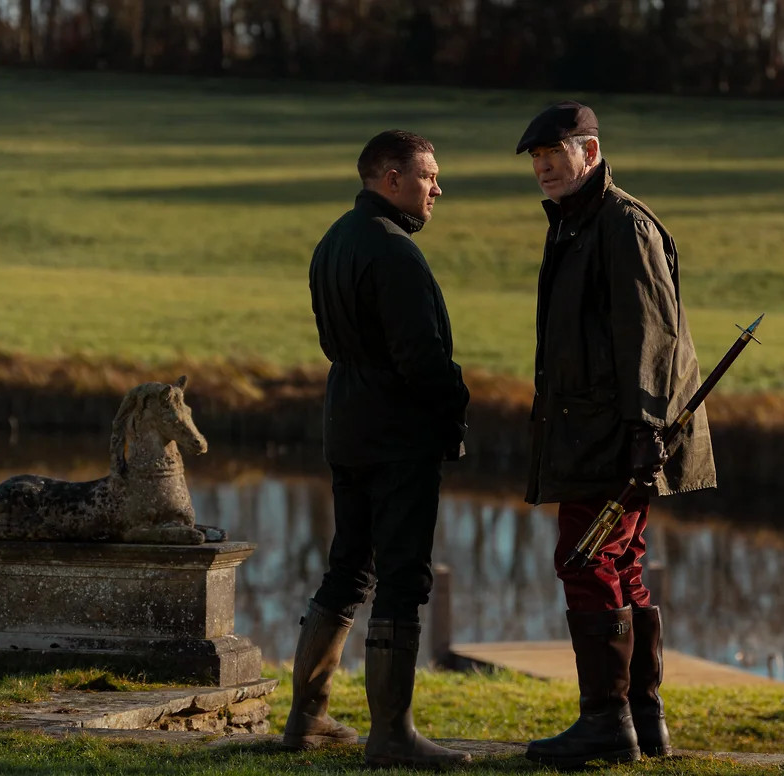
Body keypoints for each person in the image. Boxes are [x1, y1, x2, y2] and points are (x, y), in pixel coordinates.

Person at [515, 102, 717, 768]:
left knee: (586, 560)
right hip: (596, 432)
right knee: (618, 562)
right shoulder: (576, 222)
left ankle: (606, 721)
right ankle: (640, 719)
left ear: (591, 151)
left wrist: (646, 432)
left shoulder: (622, 223)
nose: (544, 169)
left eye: (555, 154)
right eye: (537, 159)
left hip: (616, 437)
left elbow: (651, 335)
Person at [283, 129, 471, 768]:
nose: (437, 188)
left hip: (347, 425)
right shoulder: (394, 253)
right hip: (397, 436)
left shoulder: (332, 241)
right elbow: (422, 360)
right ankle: (392, 734)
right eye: (428, 176)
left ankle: (307, 716)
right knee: (402, 578)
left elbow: (333, 344)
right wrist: (455, 409)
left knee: (347, 568)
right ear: (391, 178)